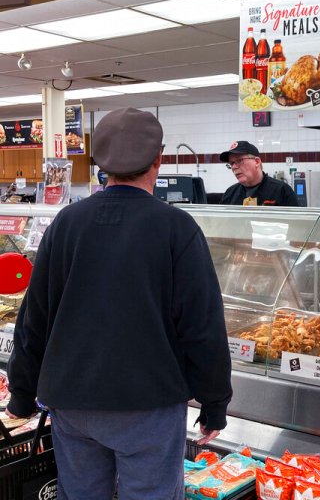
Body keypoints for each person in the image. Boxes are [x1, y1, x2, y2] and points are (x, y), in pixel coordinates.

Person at [6, 108, 233, 500]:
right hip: (148, 405)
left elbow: (34, 318)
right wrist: (214, 401)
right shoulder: (176, 228)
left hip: (72, 403)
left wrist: (22, 394)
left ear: (99, 163)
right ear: (158, 159)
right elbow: (203, 326)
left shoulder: (66, 224)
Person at [219, 140, 299, 206]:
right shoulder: (230, 194)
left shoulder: (282, 191)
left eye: (240, 161)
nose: (234, 167)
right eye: (232, 163)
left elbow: (296, 222)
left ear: (257, 162)